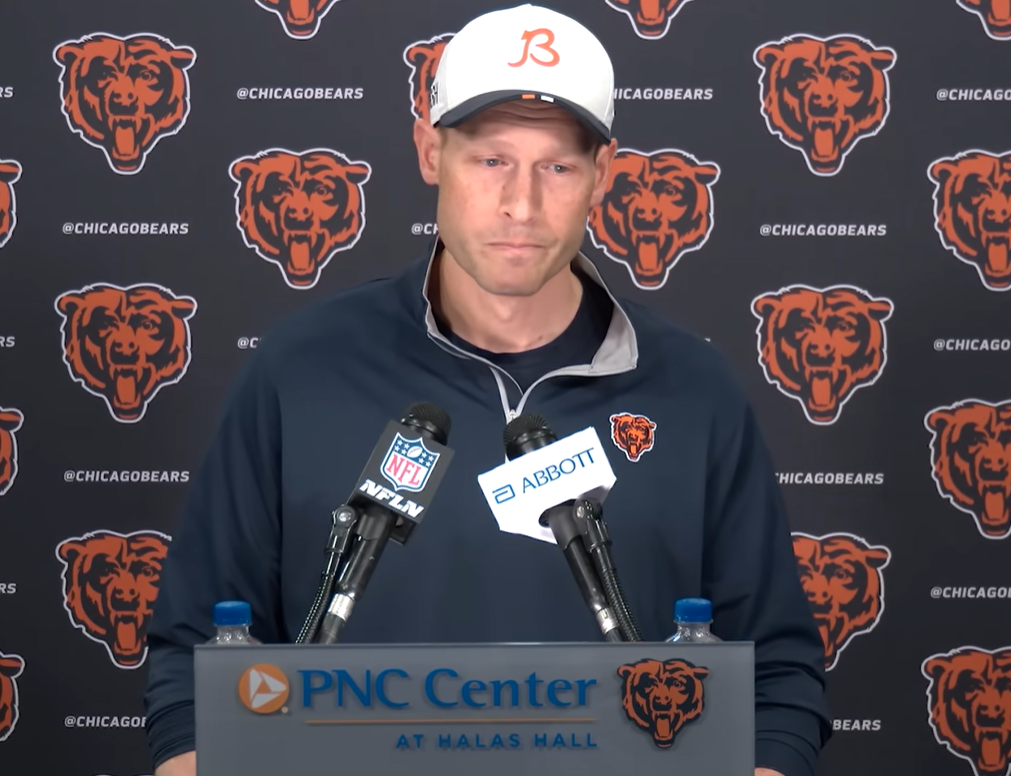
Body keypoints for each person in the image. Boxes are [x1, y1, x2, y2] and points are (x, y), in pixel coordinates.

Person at [144, 4, 831, 775]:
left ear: (603, 175)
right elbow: (196, 659)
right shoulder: (300, 367)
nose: (521, 205)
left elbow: (775, 678)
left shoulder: (691, 386)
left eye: (557, 166)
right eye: (490, 160)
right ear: (429, 150)